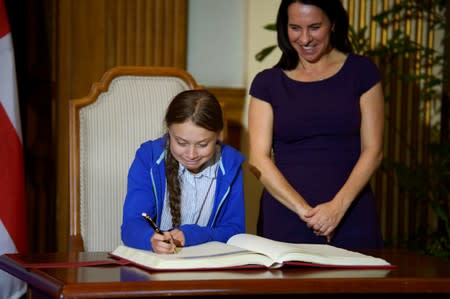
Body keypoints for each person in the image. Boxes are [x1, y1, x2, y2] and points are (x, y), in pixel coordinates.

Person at [248, 0, 385, 249]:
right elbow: (258, 159)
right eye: (295, 28)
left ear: (332, 24)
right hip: (286, 217)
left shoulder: (362, 72)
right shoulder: (267, 83)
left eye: (314, 27)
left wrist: (336, 208)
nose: (305, 38)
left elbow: (373, 150)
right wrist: (306, 212)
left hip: (351, 214)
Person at [121, 89, 246, 254]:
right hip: (153, 265)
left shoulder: (230, 165)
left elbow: (235, 231)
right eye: (181, 142)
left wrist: (194, 235)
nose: (191, 155)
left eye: (202, 144)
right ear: (169, 131)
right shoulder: (149, 158)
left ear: (218, 135)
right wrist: (149, 238)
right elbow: (131, 225)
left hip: (206, 267)